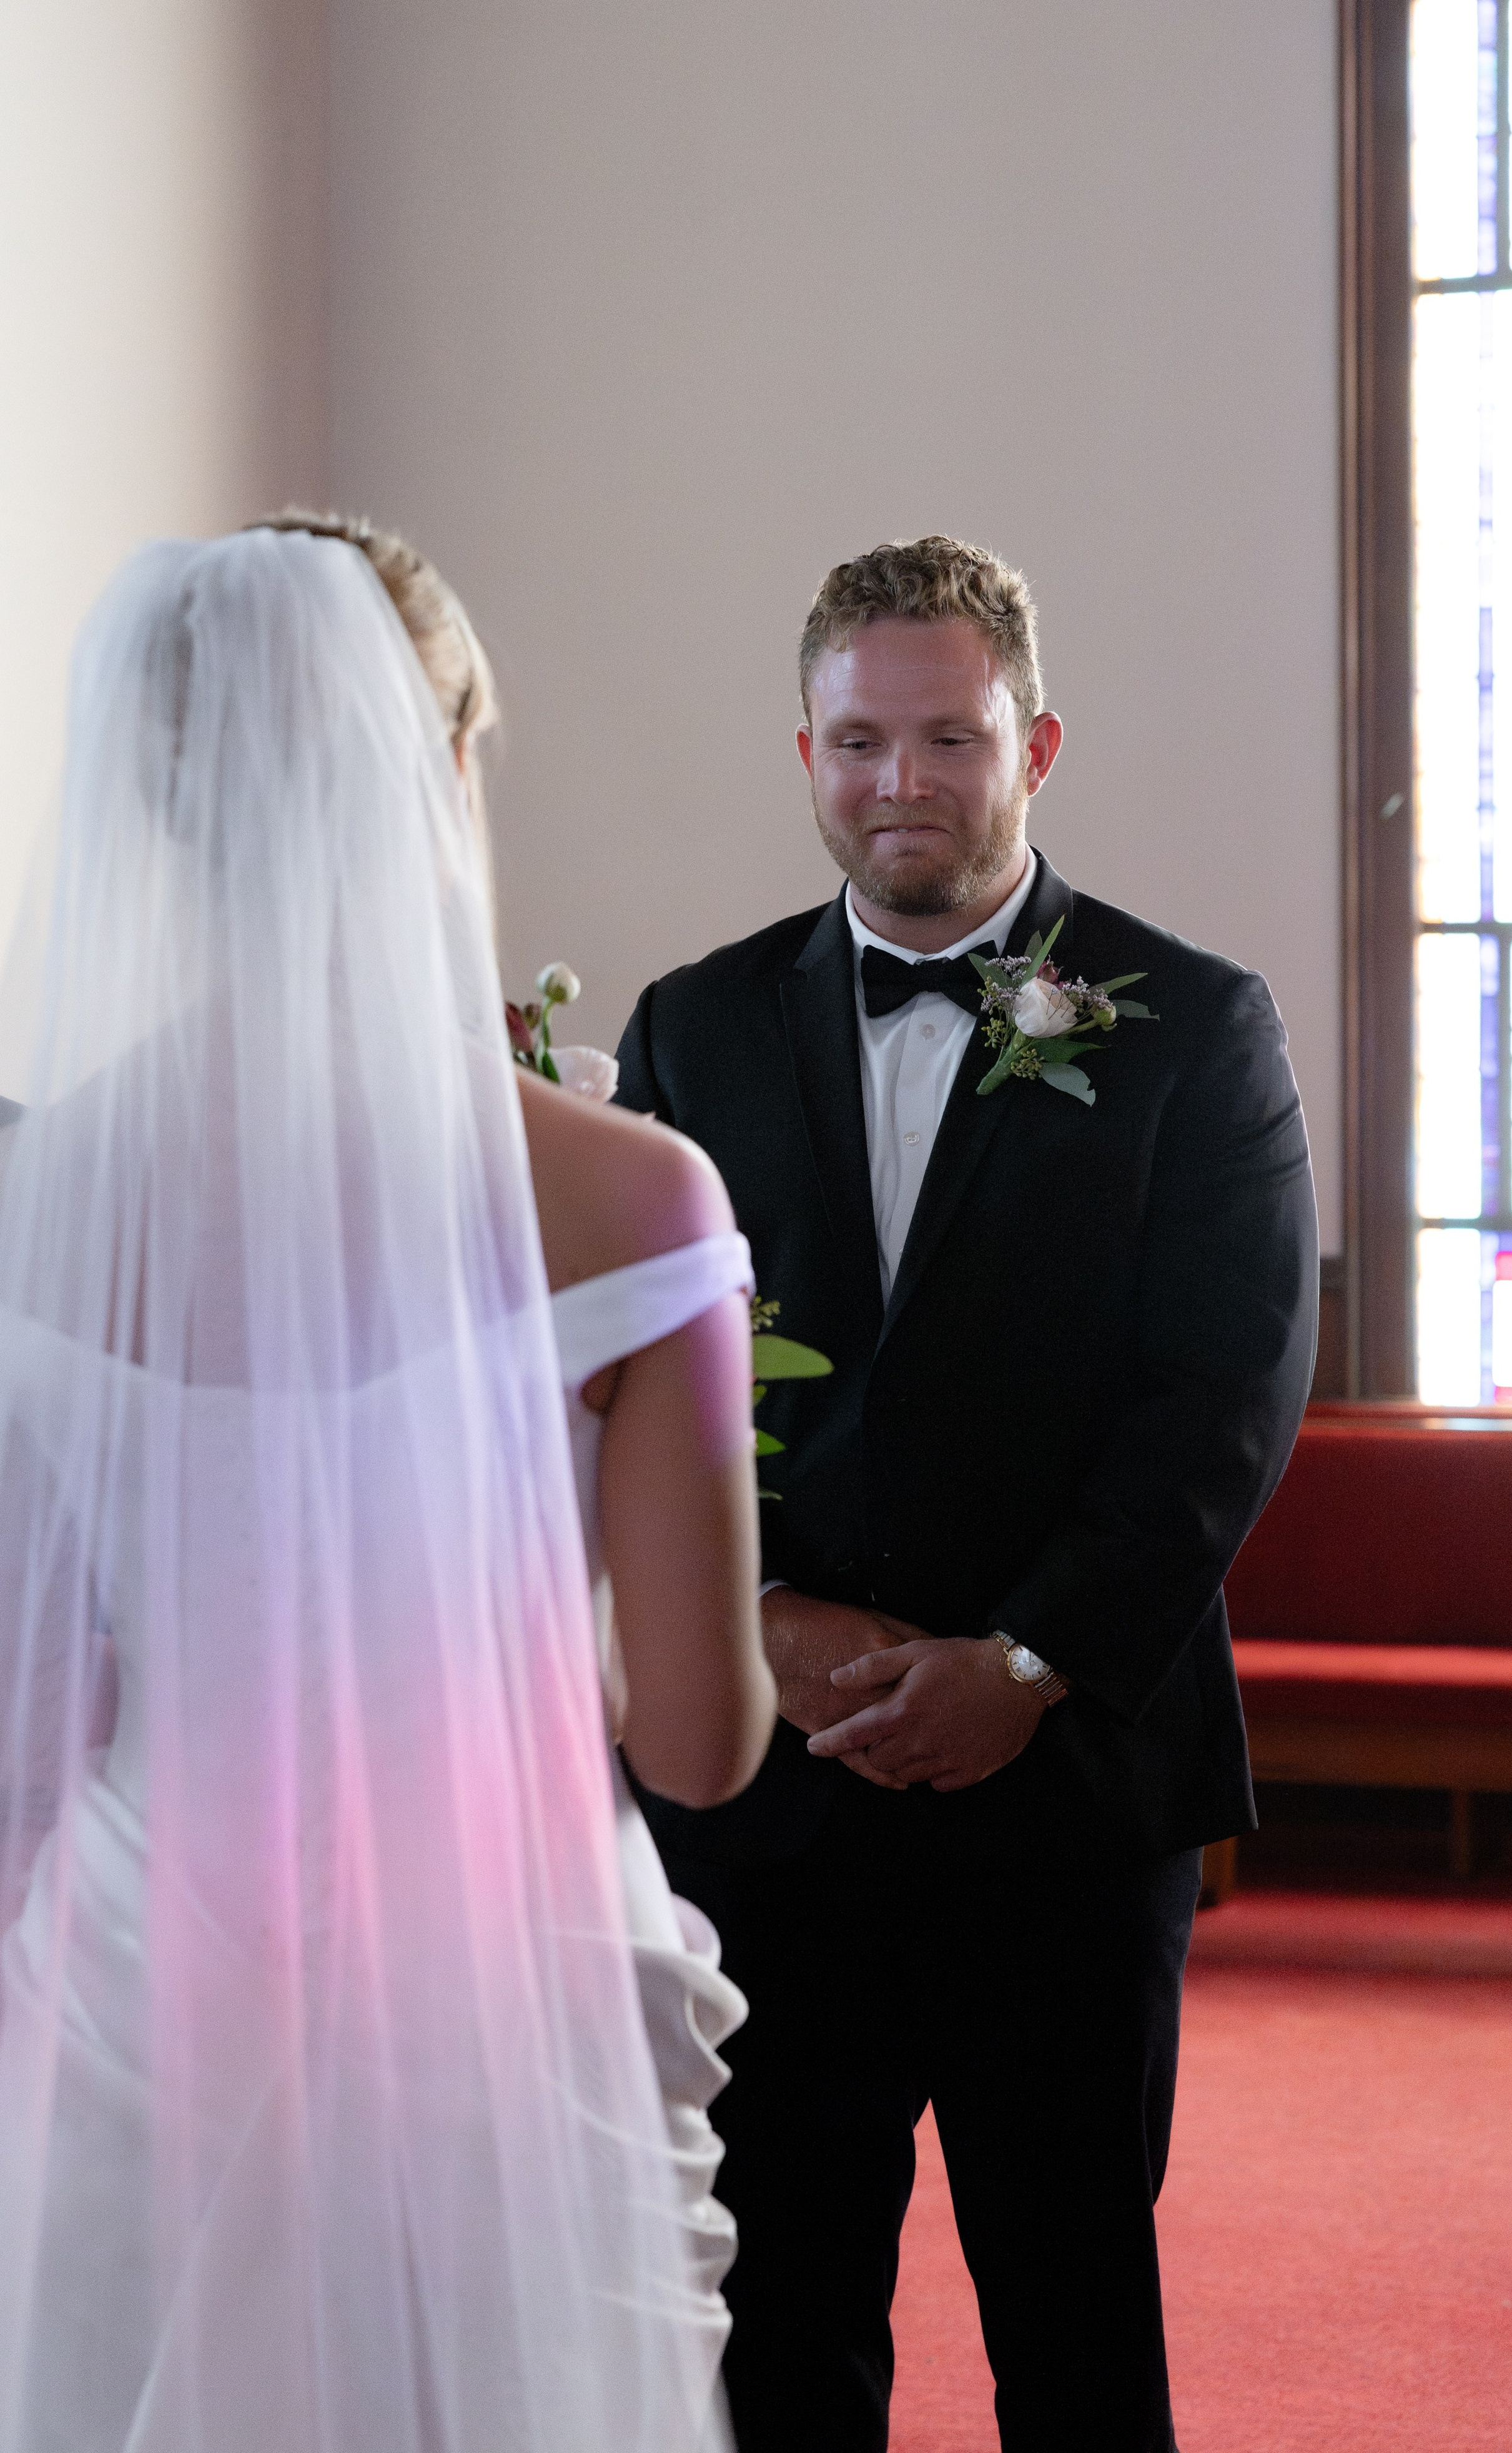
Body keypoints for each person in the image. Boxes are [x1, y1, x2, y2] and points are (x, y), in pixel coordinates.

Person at [0, 523, 769, 2453]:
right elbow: (698, 1743)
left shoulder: (45, 1204)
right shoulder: (635, 1199)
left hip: (140, 1973)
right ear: (442, 768)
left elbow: (32, 1720)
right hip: (498, 1977)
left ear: (160, 808)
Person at [615, 535, 1320, 2453]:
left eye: (949, 739)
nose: (901, 782)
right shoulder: (692, 1026)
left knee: (1075, 2311)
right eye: (859, 742)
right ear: (807, 753)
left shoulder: (1195, 1023)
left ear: (1037, 747)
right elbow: (644, 1386)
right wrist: (756, 1620)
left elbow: (1224, 1399)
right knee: (776, 2315)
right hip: (778, 1790)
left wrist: (1023, 1662)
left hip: (1071, 1797)